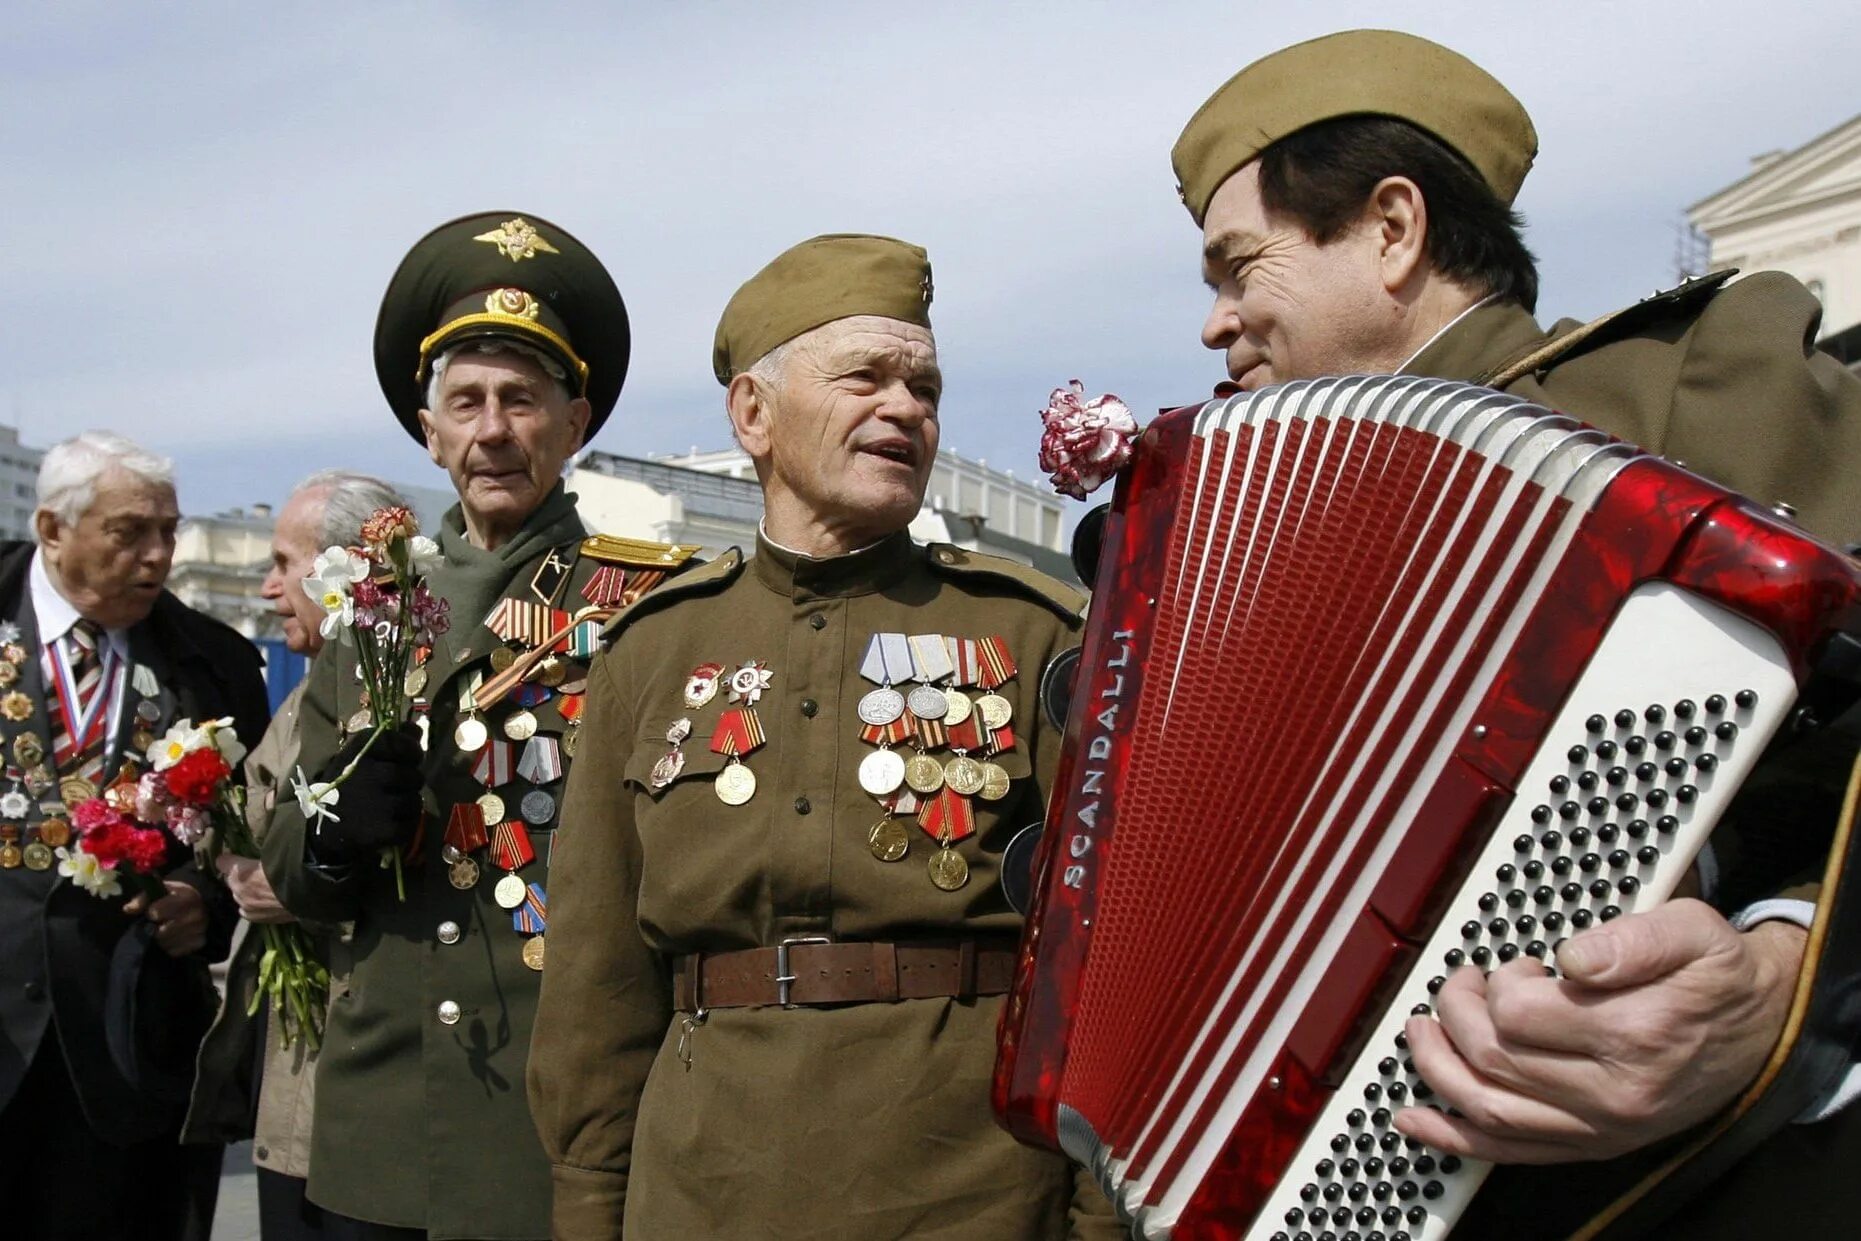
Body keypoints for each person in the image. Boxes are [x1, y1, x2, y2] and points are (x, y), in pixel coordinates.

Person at [1170, 29, 1861, 1236]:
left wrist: (1787, 971)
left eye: (1238, 267)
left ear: (1392, 230)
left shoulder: (1697, 380)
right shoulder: (1248, 527)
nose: (1216, 323)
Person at [529, 233, 1120, 1240]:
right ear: (752, 415)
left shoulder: (1037, 634)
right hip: (705, 1187)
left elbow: (1106, 960)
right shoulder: (652, 649)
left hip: (968, 1188)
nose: (905, 409)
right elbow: (596, 977)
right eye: (864, 377)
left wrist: (1099, 1215)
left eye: (924, 388)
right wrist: (591, 1203)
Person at [264, 212, 697, 1240]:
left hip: (554, 1114)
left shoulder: (640, 604)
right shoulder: (376, 607)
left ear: (574, 419)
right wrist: (331, 832)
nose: (493, 430)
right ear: (430, 431)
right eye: (466, 402)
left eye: (522, 400)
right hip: (386, 1114)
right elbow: (288, 866)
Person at [0, 430, 270, 1241]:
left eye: (169, 530)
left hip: (129, 1058)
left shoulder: (212, 665)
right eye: (130, 533)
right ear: (52, 528)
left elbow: (248, 840)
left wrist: (205, 899)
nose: (158, 556)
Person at [186, 470, 412, 1240]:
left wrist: (305, 882)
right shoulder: (306, 690)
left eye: (285, 562)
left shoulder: (403, 685)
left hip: (369, 1087)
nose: (269, 587)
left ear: (346, 568)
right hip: (291, 1080)